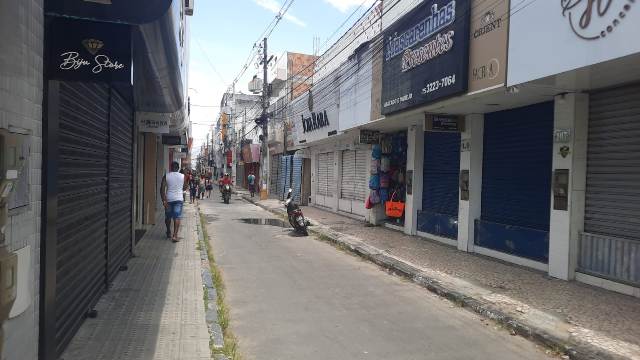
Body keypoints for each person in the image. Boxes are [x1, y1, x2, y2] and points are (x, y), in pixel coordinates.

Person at [161, 161, 188, 242]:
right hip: (179, 199)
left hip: (169, 199)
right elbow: (185, 187)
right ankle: (175, 236)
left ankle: (168, 231)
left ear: (171, 167)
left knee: (168, 217)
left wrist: (164, 200)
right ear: (178, 168)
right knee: (177, 217)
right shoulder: (183, 176)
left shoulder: (166, 176)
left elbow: (162, 189)